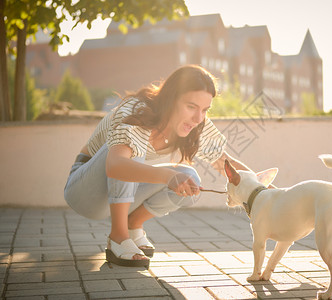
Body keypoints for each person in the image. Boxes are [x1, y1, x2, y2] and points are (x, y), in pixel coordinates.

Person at [64, 65, 252, 267]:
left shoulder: (196, 123)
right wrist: (168, 177)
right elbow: (116, 166)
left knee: (190, 178)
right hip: (83, 191)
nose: (198, 118)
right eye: (191, 107)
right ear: (170, 100)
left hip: (116, 193)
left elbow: (225, 163)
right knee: (133, 150)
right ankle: (118, 236)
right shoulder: (136, 111)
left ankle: (133, 224)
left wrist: (262, 189)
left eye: (205, 110)